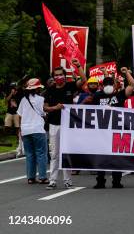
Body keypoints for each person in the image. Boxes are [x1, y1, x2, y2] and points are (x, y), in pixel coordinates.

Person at [43, 58, 85, 190]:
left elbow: (83, 80)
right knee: (54, 153)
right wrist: (55, 107)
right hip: (54, 124)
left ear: (64, 75)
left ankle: (67, 180)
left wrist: (79, 67)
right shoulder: (49, 90)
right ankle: (53, 180)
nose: (59, 77)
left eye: (61, 74)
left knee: (66, 152)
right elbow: (45, 107)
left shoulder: (70, 86)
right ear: (53, 77)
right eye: (56, 75)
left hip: (68, 125)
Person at [92, 67, 134, 189]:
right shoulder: (97, 96)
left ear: (114, 85)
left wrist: (126, 73)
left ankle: (117, 180)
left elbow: (132, 85)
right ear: (102, 86)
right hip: (102, 131)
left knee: (116, 156)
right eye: (106, 84)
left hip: (116, 130)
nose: (108, 86)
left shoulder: (120, 95)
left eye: (110, 84)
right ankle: (100, 181)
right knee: (101, 157)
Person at [18, 79, 48, 185]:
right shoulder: (41, 99)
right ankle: (43, 177)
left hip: (25, 130)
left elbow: (20, 116)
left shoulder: (23, 100)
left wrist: (20, 130)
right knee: (41, 153)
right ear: (38, 88)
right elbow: (45, 112)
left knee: (30, 154)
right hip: (38, 129)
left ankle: (31, 178)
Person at [4, 81, 23, 156]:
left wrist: (15, 103)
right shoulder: (9, 92)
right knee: (6, 125)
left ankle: (18, 140)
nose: (13, 89)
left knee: (18, 127)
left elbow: (20, 103)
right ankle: (6, 139)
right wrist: (11, 94)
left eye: (14, 87)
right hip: (9, 112)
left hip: (16, 112)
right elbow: (6, 100)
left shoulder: (19, 93)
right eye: (12, 88)